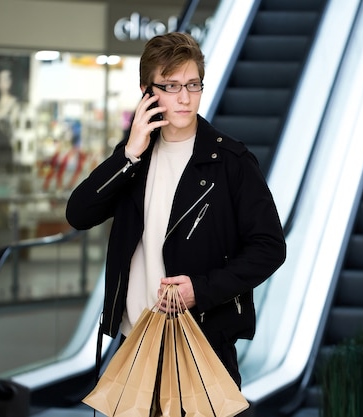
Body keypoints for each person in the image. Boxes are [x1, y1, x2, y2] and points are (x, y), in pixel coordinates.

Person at [65, 32, 286, 388]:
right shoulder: (135, 158)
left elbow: (269, 247)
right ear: (146, 91)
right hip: (135, 345)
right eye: (170, 86)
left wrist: (201, 289)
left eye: (193, 84)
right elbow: (79, 213)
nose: (185, 98)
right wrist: (128, 155)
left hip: (203, 346)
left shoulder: (231, 162)